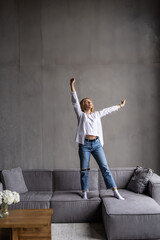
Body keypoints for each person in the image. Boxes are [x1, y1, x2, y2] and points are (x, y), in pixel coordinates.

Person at [70, 78, 126, 200]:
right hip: (84, 145)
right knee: (84, 170)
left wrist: (120, 106)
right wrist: (72, 85)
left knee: (105, 168)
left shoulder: (96, 115)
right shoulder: (81, 115)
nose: (89, 102)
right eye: (86, 101)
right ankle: (84, 192)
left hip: (96, 144)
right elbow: (74, 101)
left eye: (90, 101)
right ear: (82, 105)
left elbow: (108, 110)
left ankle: (115, 191)